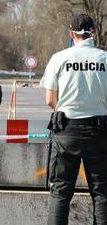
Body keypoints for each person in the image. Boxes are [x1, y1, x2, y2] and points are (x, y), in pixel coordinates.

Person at [40, 14, 107, 225]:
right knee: (102, 193)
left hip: (67, 130)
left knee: (60, 192)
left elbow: (50, 99)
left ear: (71, 34)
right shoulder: (104, 59)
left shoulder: (59, 58)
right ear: (94, 32)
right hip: (99, 132)